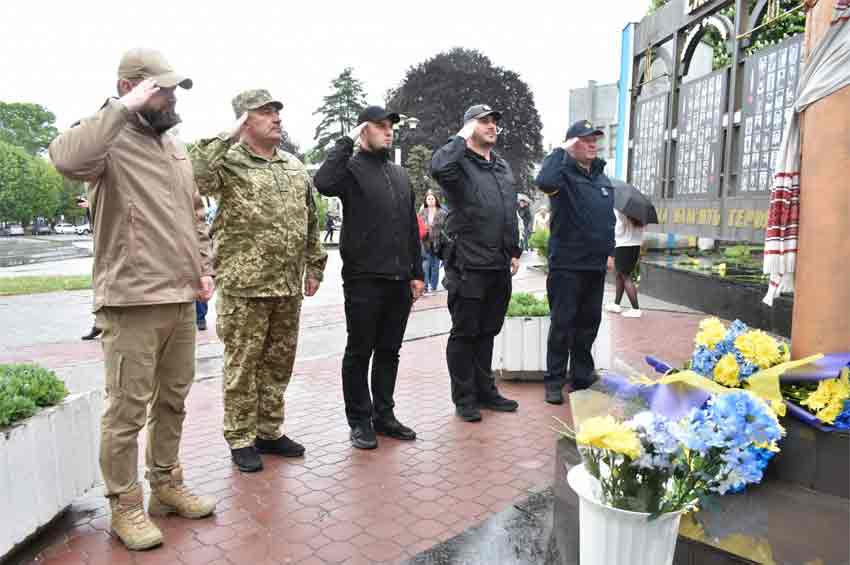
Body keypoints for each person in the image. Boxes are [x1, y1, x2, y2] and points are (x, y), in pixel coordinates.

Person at [49, 48, 216, 551]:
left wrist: (203, 268)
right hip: (131, 301)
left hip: (180, 298)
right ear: (129, 88)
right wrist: (120, 110)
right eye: (159, 88)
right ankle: (125, 504)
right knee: (126, 411)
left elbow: (195, 212)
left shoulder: (175, 146)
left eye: (171, 90)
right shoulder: (106, 137)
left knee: (174, 399)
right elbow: (64, 158)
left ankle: (166, 484)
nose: (168, 98)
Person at [191, 90, 327, 473]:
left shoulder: (293, 166)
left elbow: (310, 219)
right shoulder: (228, 162)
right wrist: (229, 133)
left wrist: (314, 266)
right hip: (244, 286)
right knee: (242, 364)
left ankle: (269, 431)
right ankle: (239, 436)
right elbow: (193, 172)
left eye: (278, 112)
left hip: (285, 285)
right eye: (266, 112)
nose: (277, 118)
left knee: (278, 363)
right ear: (245, 121)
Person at [314, 105, 424, 449]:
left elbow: (409, 228)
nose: (389, 131)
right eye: (379, 126)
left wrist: (417, 273)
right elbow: (323, 182)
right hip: (364, 278)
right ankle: (359, 421)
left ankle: (384, 415)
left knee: (390, 351)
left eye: (391, 126)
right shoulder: (349, 169)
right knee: (360, 351)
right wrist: (347, 140)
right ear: (364, 130)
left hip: (399, 281)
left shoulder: (400, 175)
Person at [430, 104, 521, 423]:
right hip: (467, 263)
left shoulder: (501, 166)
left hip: (497, 263)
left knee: (487, 332)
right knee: (465, 332)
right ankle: (465, 397)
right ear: (468, 127)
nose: (493, 125)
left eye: (495, 121)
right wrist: (461, 137)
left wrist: (514, 249)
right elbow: (438, 167)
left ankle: (486, 391)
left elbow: (508, 210)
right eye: (484, 121)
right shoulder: (457, 164)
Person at [535, 120, 616, 405]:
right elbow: (544, 181)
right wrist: (561, 150)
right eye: (585, 139)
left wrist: (610, 252)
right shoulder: (562, 175)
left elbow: (607, 220)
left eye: (595, 139)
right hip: (567, 265)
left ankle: (581, 375)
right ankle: (554, 381)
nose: (593, 143)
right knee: (563, 325)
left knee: (588, 324)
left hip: (594, 266)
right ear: (572, 144)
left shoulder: (601, 177)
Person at [605, 210, 645, 318]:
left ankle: (636, 309)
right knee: (620, 275)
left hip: (623, 246)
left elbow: (618, 232)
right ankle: (616, 304)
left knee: (625, 276)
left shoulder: (619, 211)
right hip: (635, 247)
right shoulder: (639, 214)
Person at [419, 190, 446, 293]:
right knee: (426, 264)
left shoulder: (442, 212)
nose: (430, 200)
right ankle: (425, 286)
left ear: (435, 200)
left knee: (435, 265)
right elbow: (418, 225)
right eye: (428, 199)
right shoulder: (422, 212)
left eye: (432, 198)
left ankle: (434, 286)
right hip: (425, 242)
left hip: (437, 242)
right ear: (426, 200)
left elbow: (446, 226)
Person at [195, 196, 216, 331]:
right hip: (200, 241)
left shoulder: (208, 200)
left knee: (202, 281)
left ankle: (201, 318)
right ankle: (200, 318)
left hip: (205, 241)